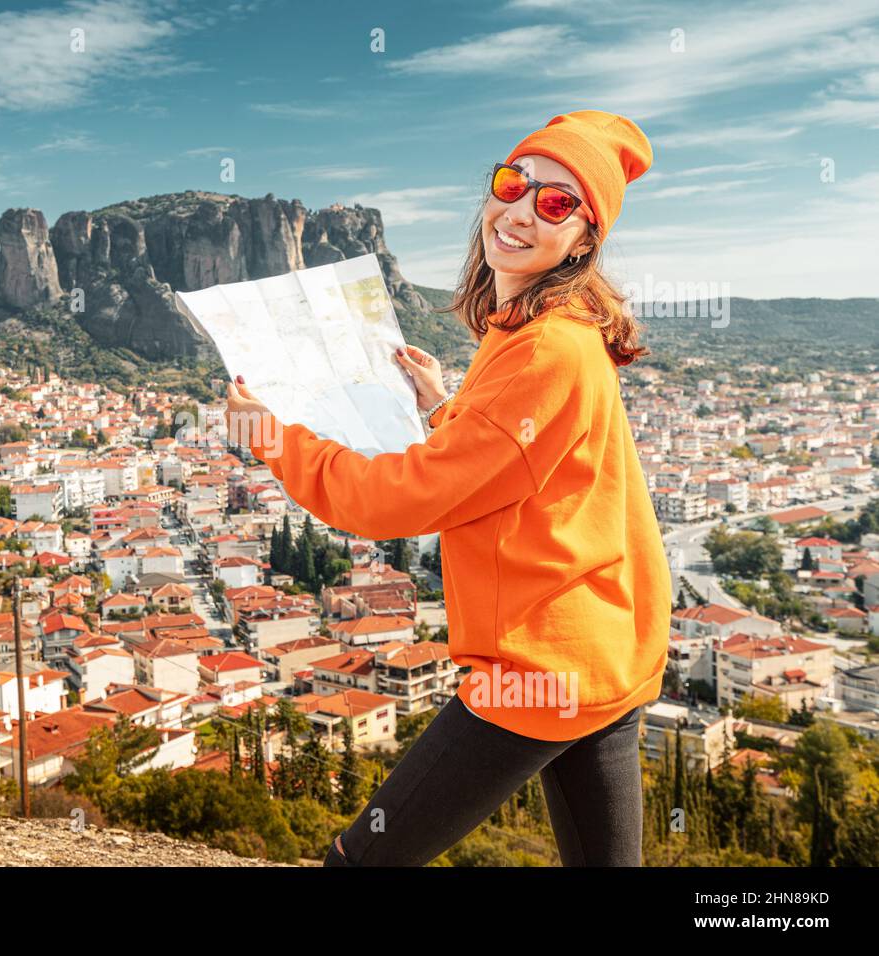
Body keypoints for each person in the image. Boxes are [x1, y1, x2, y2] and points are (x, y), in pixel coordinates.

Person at [225, 110, 671, 867]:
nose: (522, 210)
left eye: (557, 203)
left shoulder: (546, 350)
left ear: (585, 238)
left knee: (359, 861)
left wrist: (270, 438)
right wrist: (443, 405)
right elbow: (516, 463)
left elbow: (395, 501)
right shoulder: (546, 331)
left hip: (541, 665)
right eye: (513, 183)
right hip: (606, 653)